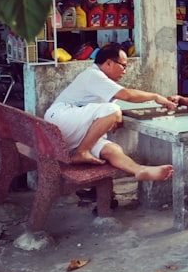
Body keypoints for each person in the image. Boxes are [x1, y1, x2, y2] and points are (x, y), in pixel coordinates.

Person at [44, 43, 175, 181]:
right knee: (112, 110)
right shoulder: (93, 75)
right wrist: (155, 97)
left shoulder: (101, 81)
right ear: (109, 63)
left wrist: (113, 116)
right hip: (60, 120)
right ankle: (82, 152)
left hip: (72, 130)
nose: (125, 71)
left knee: (111, 149)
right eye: (123, 66)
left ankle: (140, 170)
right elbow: (126, 95)